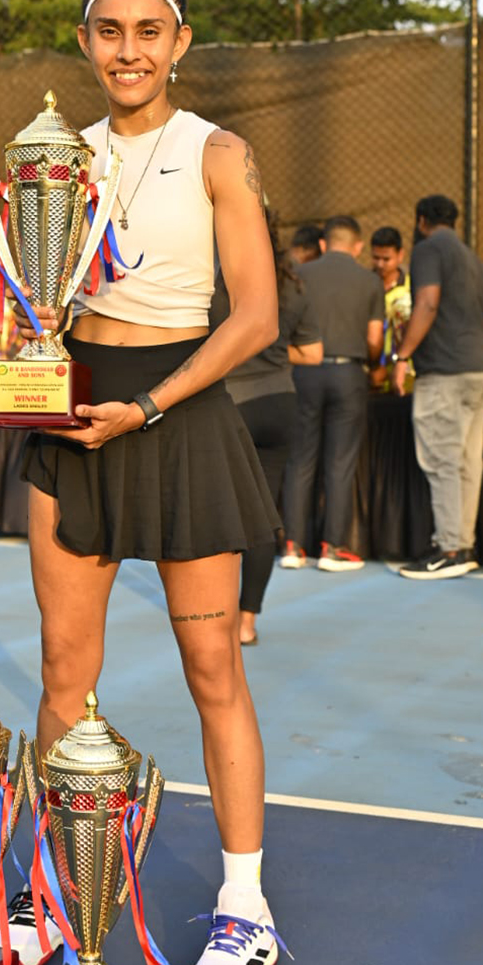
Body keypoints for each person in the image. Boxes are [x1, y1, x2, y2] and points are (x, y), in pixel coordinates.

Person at [0, 0, 283, 965]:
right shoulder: (52, 161)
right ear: (85, 41)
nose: (129, 51)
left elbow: (254, 317)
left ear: (180, 42)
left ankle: (245, 910)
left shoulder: (219, 153)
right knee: (63, 673)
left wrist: (151, 405)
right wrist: (29, 340)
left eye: (148, 32)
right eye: (110, 32)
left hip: (178, 416)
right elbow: (40, 298)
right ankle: (48, 894)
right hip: (76, 420)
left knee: (213, 669)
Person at [210, 211, 324, 645]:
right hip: (279, 403)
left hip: (230, 403)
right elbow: (312, 353)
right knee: (261, 518)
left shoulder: (215, 283)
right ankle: (247, 622)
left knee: (221, 514)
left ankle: (216, 616)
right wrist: (272, 353)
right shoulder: (291, 285)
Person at [391, 195, 483, 580]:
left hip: (445, 369)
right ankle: (463, 545)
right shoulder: (470, 256)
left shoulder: (427, 249)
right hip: (481, 367)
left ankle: (449, 549)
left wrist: (402, 356)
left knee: (442, 460)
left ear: (421, 221)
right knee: (468, 461)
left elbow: (427, 303)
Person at [279, 215, 384, 571]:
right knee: (340, 462)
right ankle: (332, 548)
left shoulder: (299, 275)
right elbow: (374, 339)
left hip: (303, 372)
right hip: (348, 373)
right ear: (358, 247)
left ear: (323, 244)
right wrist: (374, 362)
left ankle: (292, 546)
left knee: (300, 458)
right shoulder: (370, 281)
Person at [368, 226, 408, 391]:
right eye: (376, 258)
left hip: (403, 370)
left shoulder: (411, 288)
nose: (380, 264)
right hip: (370, 371)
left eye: (386, 259)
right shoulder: (363, 285)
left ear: (400, 255)